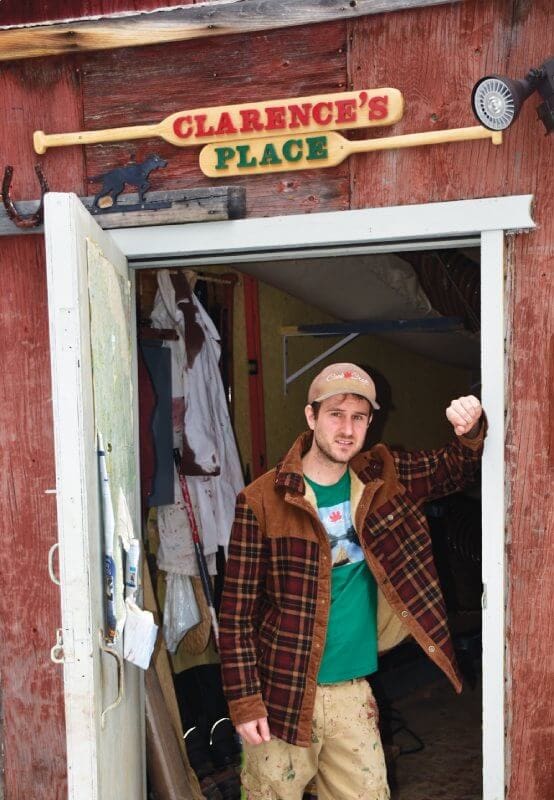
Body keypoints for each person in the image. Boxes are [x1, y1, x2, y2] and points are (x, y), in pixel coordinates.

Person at [219, 363, 485, 800]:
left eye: (359, 417)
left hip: (352, 693)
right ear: (311, 416)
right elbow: (235, 615)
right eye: (336, 415)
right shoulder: (261, 500)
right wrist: (245, 702)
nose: (347, 429)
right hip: (281, 693)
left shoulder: (384, 476)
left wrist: (469, 430)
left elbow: (454, 468)